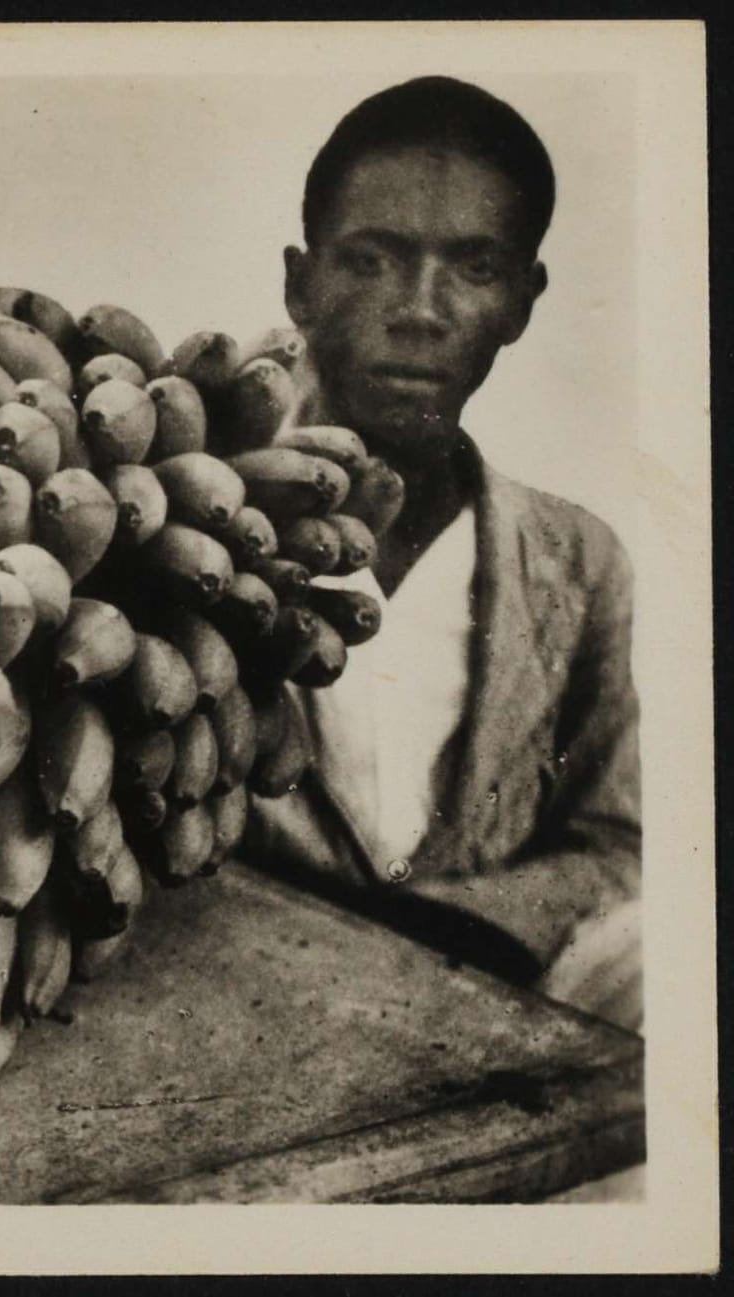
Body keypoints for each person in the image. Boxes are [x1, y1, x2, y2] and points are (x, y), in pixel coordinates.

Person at [243, 77, 642, 1030]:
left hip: (479, 1029)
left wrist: (445, 929)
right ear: (301, 283)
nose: (420, 310)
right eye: (372, 260)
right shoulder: (191, 515)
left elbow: (619, 842)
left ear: (521, 302)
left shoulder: (580, 563)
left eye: (473, 267)